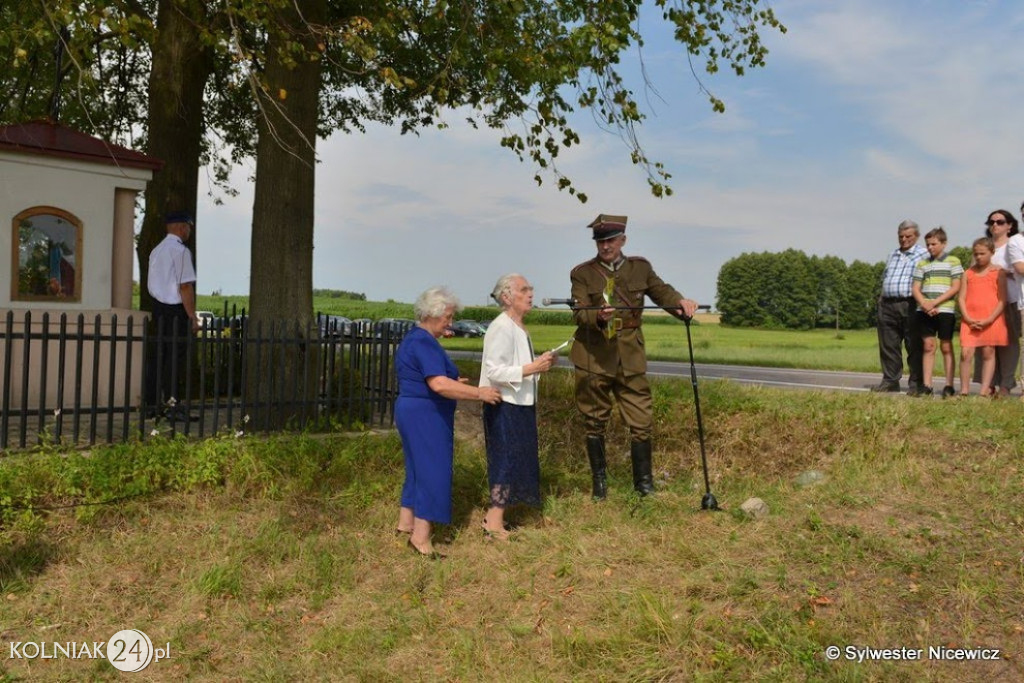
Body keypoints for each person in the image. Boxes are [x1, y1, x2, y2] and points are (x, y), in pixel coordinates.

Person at [569, 214, 698, 498]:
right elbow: (580, 313)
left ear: (622, 240)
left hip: (630, 355)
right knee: (594, 420)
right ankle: (600, 485)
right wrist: (598, 317)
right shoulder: (582, 273)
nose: (605, 246)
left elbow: (661, 291)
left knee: (641, 420)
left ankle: (644, 484)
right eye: (600, 241)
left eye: (611, 240)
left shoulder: (640, 268)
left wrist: (681, 303)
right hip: (594, 356)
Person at [394, 286, 501, 558]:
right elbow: (439, 384)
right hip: (426, 414)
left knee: (417, 468)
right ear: (433, 314)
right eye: (448, 317)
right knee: (433, 471)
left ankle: (405, 524)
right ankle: (421, 539)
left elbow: (431, 379)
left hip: (412, 409)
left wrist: (456, 384)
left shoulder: (414, 338)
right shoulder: (424, 342)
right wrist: (479, 392)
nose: (450, 323)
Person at [478, 274, 557, 541]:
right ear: (507, 297)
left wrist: (539, 364)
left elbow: (518, 367)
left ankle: (496, 516)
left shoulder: (517, 326)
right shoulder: (501, 327)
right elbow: (495, 371)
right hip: (504, 405)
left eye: (530, 288)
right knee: (505, 461)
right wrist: (532, 367)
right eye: (524, 289)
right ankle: (494, 522)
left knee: (516, 459)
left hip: (519, 403)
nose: (530, 293)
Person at [144, 210, 199, 421]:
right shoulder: (180, 251)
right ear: (181, 227)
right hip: (175, 310)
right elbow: (184, 286)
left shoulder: (156, 251)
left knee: (157, 357)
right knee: (174, 360)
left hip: (158, 307)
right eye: (189, 228)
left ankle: (151, 405)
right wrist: (192, 315)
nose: (189, 232)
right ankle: (173, 405)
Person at [873, 220, 928, 393]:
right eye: (901, 236)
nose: (904, 239)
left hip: (911, 303)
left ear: (917, 236)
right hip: (888, 304)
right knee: (889, 345)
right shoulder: (893, 254)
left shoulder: (924, 254)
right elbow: (885, 277)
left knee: (914, 345)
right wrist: (881, 299)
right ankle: (890, 380)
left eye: (908, 236)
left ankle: (916, 384)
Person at [912, 227, 963, 397]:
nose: (930, 247)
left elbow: (956, 286)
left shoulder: (953, 261)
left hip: (945, 309)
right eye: (927, 244)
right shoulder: (922, 264)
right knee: (928, 346)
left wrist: (935, 302)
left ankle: (949, 385)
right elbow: (916, 288)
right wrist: (925, 303)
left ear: (943, 243)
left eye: (934, 244)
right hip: (925, 310)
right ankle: (927, 385)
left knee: (946, 346)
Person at [975, 210, 1021, 396]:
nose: (995, 225)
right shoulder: (983, 246)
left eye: (1000, 222)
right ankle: (989, 384)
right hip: (986, 302)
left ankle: (1006, 384)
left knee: (1008, 344)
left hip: (1009, 299)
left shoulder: (1014, 244)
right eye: (991, 222)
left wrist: (1003, 271)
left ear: (1009, 225)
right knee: (986, 345)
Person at [957, 237, 1008, 396]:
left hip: (990, 319)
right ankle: (964, 390)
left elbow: (1002, 300)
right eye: (976, 254)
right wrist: (967, 317)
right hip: (970, 319)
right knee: (966, 353)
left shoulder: (998, 273)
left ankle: (984, 390)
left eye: (982, 253)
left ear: (991, 252)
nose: (978, 257)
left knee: (988, 352)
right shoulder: (968, 273)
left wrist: (989, 319)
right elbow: (961, 298)